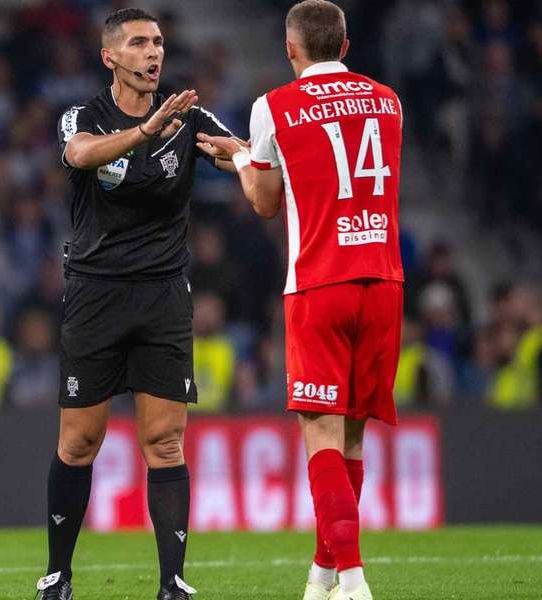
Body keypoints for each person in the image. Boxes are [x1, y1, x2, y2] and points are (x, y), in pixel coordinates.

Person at [197, 2, 404, 598]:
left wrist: (240, 157)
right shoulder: (388, 101)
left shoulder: (274, 107)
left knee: (321, 436)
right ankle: (322, 576)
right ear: (344, 45)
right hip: (384, 281)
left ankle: (355, 581)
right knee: (355, 439)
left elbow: (265, 202)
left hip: (319, 283)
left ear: (291, 49)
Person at [38, 7, 243, 600]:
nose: (153, 53)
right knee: (78, 441)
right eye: (138, 43)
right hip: (95, 294)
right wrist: (146, 131)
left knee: (166, 441)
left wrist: (255, 160)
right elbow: (79, 155)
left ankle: (173, 583)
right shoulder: (84, 115)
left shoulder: (187, 118)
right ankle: (57, 575)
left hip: (162, 298)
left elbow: (237, 153)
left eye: (157, 42)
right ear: (110, 57)